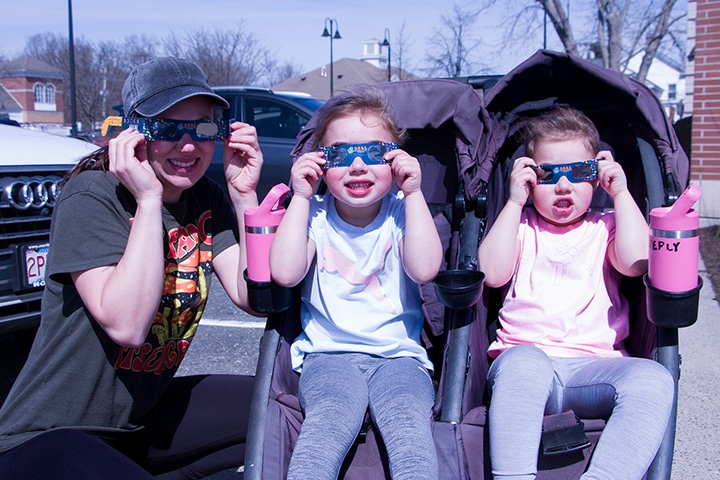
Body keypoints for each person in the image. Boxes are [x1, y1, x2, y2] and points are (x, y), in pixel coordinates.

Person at [0, 57, 263, 479]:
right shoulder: (92, 195)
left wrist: (244, 197)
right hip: (50, 437)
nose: (188, 145)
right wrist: (148, 200)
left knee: (278, 406)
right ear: (134, 134)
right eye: (168, 129)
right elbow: (127, 326)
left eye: (202, 128)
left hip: (139, 425)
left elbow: (255, 297)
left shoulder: (207, 198)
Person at [478, 106, 674, 480]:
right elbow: (491, 273)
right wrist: (514, 202)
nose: (564, 185)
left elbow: (636, 262)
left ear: (596, 176)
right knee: (524, 365)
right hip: (527, 358)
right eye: (548, 175)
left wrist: (621, 194)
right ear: (529, 178)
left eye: (579, 173)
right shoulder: (522, 226)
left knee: (654, 379)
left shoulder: (607, 225)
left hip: (595, 366)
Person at [269, 86, 443, 480]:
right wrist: (300, 197)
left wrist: (414, 193)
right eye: (341, 155)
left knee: (410, 433)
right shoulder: (314, 215)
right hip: (328, 355)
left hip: (398, 358)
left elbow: (425, 269)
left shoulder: (402, 213)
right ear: (319, 162)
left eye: (375, 153)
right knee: (327, 424)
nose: (358, 166)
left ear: (396, 160)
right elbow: (286, 273)